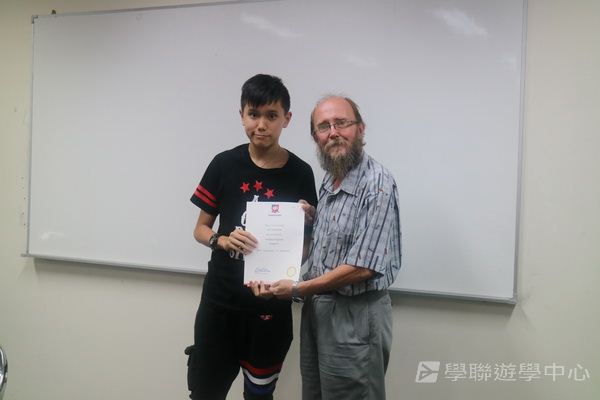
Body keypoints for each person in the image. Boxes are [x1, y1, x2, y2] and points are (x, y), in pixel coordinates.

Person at [252, 95, 401, 400]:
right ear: (316, 137)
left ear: (360, 128)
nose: (333, 132)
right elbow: (341, 238)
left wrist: (297, 288)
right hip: (318, 311)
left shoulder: (377, 183)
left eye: (341, 123)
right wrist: (313, 217)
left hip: (354, 316)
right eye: (323, 126)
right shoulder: (332, 177)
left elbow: (362, 266)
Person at [186, 74, 318, 400]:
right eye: (253, 114)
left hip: (270, 309)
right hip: (220, 303)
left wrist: (289, 271)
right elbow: (200, 229)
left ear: (287, 118)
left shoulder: (301, 173)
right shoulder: (224, 164)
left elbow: (306, 245)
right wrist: (221, 240)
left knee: (259, 395)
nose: (261, 125)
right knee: (205, 392)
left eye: (271, 115)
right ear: (241, 115)